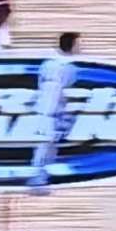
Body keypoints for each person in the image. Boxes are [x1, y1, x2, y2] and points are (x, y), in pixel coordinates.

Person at [25, 30, 80, 192]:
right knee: (45, 146)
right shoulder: (68, 68)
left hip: (46, 109)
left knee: (48, 146)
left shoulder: (48, 63)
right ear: (72, 46)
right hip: (52, 111)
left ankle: (42, 179)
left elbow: (41, 84)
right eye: (78, 44)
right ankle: (37, 180)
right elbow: (65, 90)